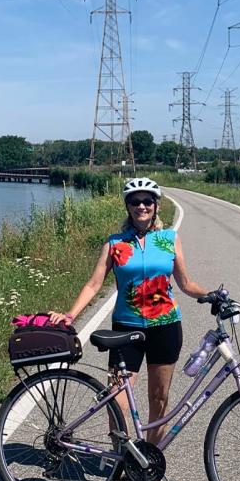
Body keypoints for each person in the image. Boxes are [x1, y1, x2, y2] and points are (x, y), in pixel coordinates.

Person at [48, 177, 211, 447]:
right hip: (126, 328)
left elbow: (185, 283)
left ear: (156, 206)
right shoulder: (115, 243)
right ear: (128, 207)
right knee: (117, 398)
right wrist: (70, 315)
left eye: (147, 201)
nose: (142, 206)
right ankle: (120, 463)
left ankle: (148, 464)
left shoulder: (169, 239)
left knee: (159, 398)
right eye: (135, 202)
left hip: (165, 326)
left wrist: (211, 295)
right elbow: (93, 283)